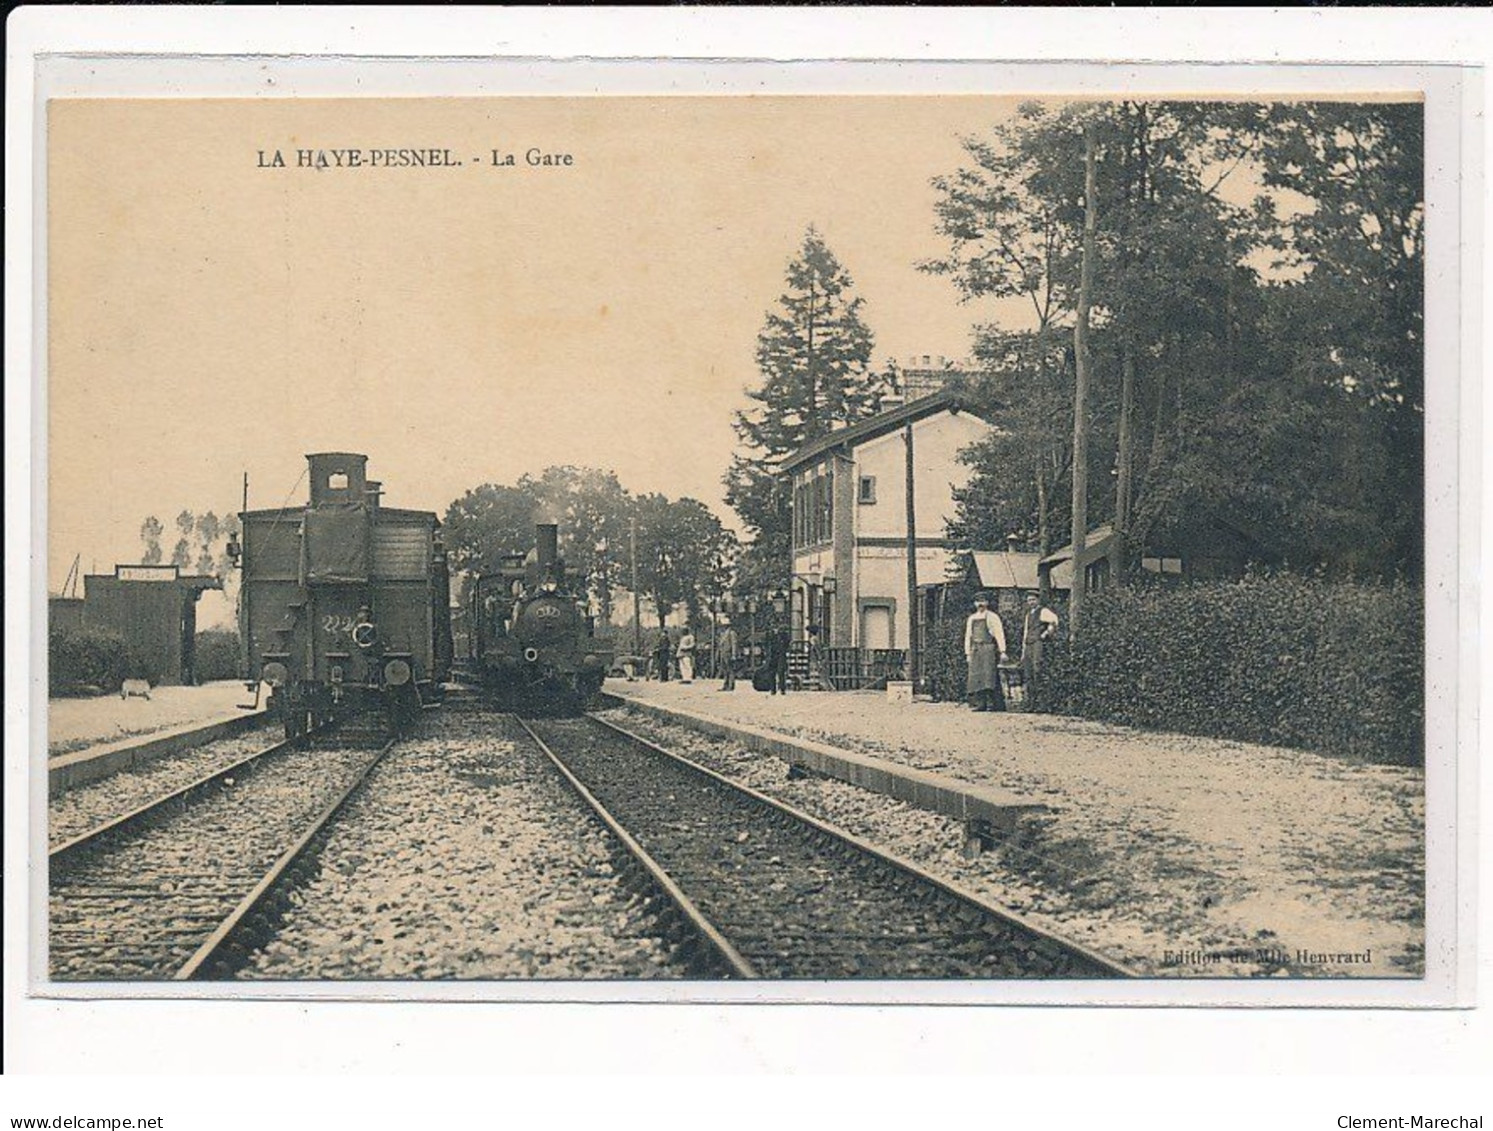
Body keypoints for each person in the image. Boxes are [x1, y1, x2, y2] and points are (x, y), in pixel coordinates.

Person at [964, 593, 1008, 712]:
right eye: (978, 602)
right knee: (976, 676)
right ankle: (980, 703)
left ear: (987, 603)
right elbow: (968, 636)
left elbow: (999, 634)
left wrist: (1003, 651)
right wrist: (967, 653)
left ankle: (993, 703)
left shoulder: (992, 617)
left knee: (989, 676)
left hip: (988, 648)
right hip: (976, 649)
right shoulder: (972, 618)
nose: (980, 604)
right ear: (975, 604)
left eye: (983, 601)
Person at [1020, 594, 1061, 696]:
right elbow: (1026, 631)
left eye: (1033, 600)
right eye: (1029, 600)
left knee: (1037, 668)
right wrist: (1023, 649)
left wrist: (1045, 634)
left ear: (1037, 600)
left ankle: (1041, 697)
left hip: (1038, 642)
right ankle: (1031, 699)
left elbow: (1054, 620)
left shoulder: (1043, 611)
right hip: (1028, 643)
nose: (1031, 602)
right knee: (1027, 670)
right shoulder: (1028, 614)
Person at [765, 621, 791, 695]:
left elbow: (787, 642)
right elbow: (767, 644)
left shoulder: (783, 635)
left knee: (781, 672)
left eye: (776, 627)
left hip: (781, 655)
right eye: (773, 627)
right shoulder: (769, 635)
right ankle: (773, 689)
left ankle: (782, 689)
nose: (775, 629)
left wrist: (784, 649)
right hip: (772, 656)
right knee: (771, 673)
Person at [716, 622, 739, 691]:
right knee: (725, 670)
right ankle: (725, 685)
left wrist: (734, 654)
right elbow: (720, 646)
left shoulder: (731, 633)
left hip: (729, 653)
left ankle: (731, 685)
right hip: (723, 654)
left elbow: (734, 644)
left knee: (730, 670)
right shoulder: (723, 634)